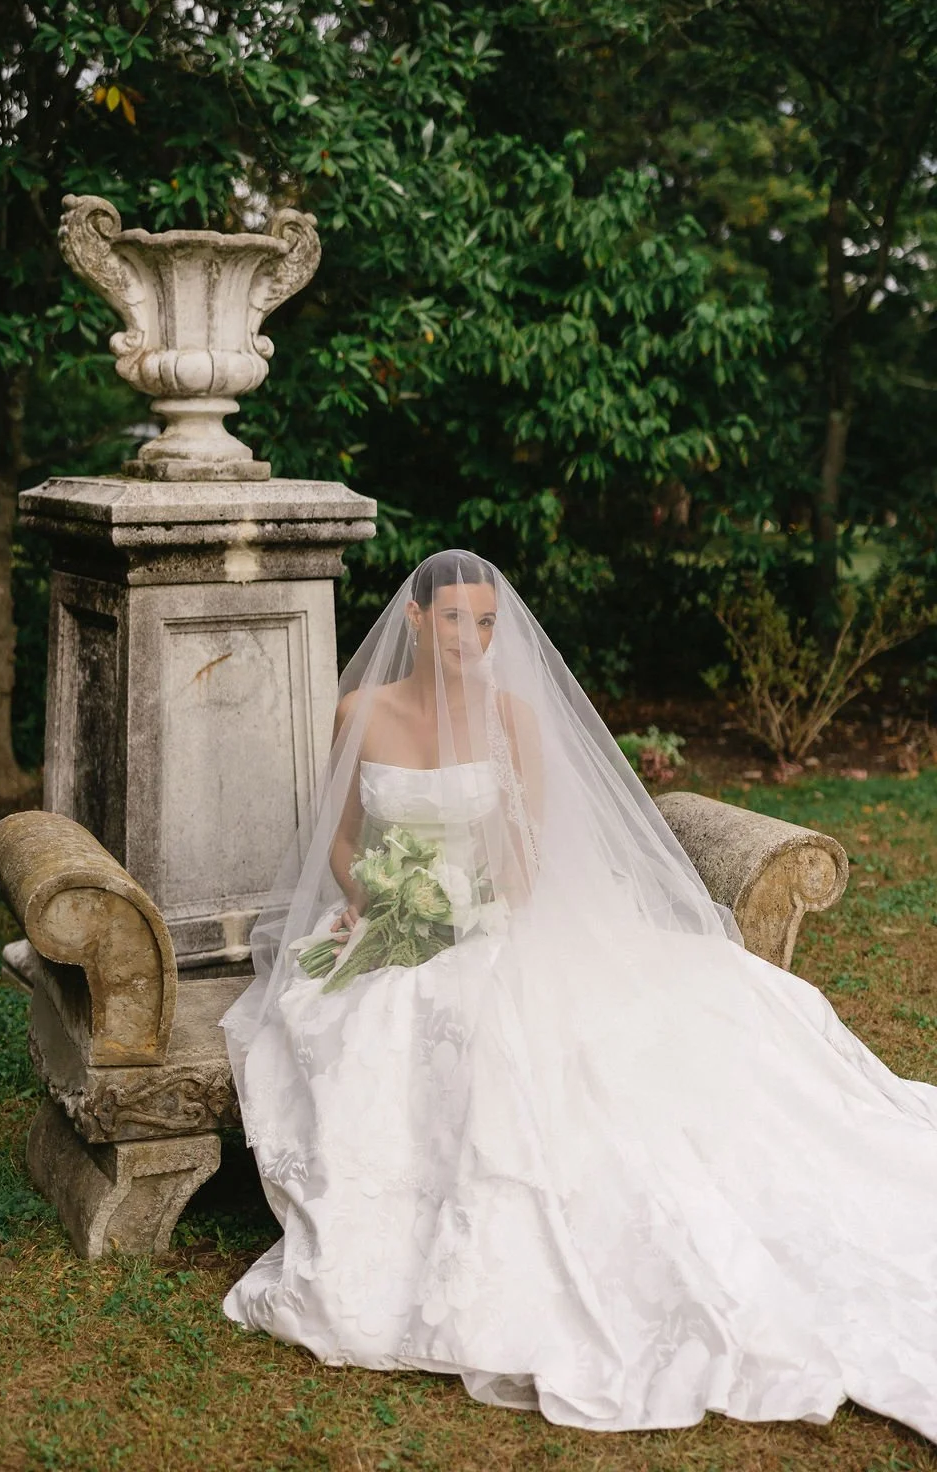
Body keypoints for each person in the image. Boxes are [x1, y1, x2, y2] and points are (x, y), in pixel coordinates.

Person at [220, 550, 937, 1440]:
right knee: (372, 1020)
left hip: (494, 920)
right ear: (414, 622)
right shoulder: (359, 712)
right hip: (390, 917)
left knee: (503, 1021)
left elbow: (524, 858)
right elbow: (343, 834)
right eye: (453, 621)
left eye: (485, 624)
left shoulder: (509, 716)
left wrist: (465, 918)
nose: (471, 640)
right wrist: (373, 900)